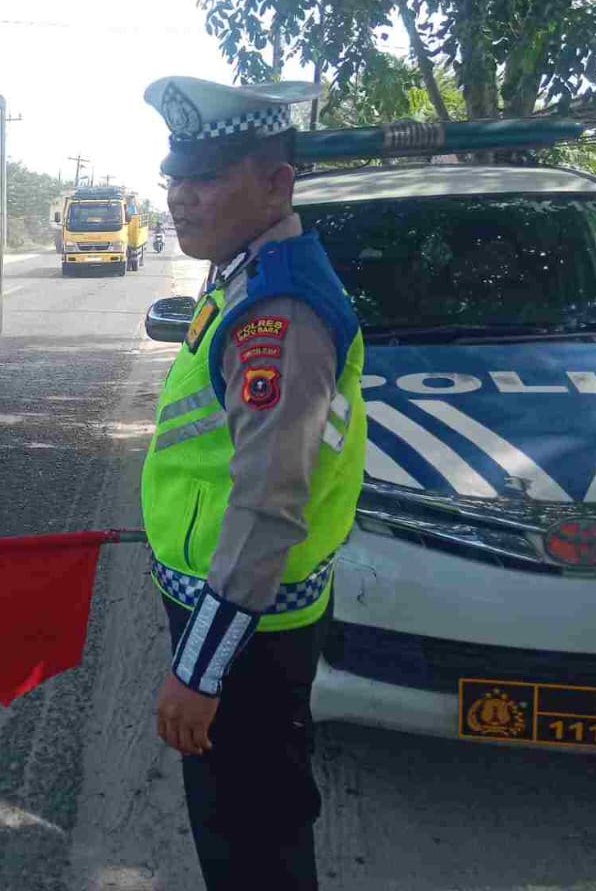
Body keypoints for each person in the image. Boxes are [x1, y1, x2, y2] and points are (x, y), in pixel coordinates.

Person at [139, 75, 368, 890]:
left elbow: (268, 508)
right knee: (245, 822)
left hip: (242, 628)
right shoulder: (244, 267)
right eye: (173, 176)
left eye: (203, 178)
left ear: (276, 183)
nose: (178, 198)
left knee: (250, 839)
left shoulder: (279, 310)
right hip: (234, 605)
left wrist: (199, 673)